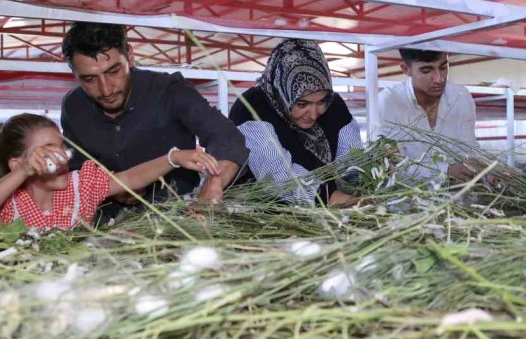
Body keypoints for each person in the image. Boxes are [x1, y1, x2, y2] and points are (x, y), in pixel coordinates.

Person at [58, 22, 249, 220]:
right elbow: (77, 171)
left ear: (130, 56)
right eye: (89, 79)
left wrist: (213, 183)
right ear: (74, 74)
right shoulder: (74, 107)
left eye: (113, 71)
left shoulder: (169, 90)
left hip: (179, 213)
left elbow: (226, 136)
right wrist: (112, 187)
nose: (106, 90)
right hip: (106, 220)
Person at [0, 114, 220, 229]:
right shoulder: (8, 200)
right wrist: (22, 173)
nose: (62, 155)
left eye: (62, 146)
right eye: (47, 150)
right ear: (16, 164)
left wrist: (173, 157)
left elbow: (130, 178)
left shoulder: (81, 185)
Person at [228, 39, 364, 206]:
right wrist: (333, 199)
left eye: (321, 103)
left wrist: (365, 181)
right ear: (282, 93)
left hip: (330, 209)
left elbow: (351, 160)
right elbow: (278, 177)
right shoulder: (252, 107)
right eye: (302, 104)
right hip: (264, 213)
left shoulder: (334, 105)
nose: (313, 114)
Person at [376, 48, 482, 181]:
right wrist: (444, 170)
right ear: (405, 69)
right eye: (426, 70)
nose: (439, 79)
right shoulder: (389, 102)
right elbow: (387, 163)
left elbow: (469, 148)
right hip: (406, 199)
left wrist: (486, 172)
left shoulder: (460, 96)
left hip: (457, 196)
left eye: (443, 67)